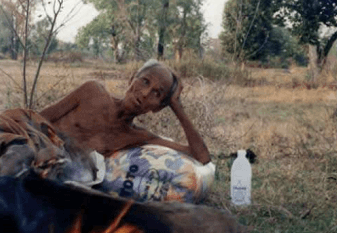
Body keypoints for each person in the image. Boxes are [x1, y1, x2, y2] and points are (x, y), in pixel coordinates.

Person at [39, 59, 211, 165]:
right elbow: (38, 118)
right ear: (131, 80)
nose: (145, 94)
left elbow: (201, 157)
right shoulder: (92, 92)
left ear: (158, 108)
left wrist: (176, 105)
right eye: (145, 82)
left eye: (156, 93)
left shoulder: (137, 136)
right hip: (31, 148)